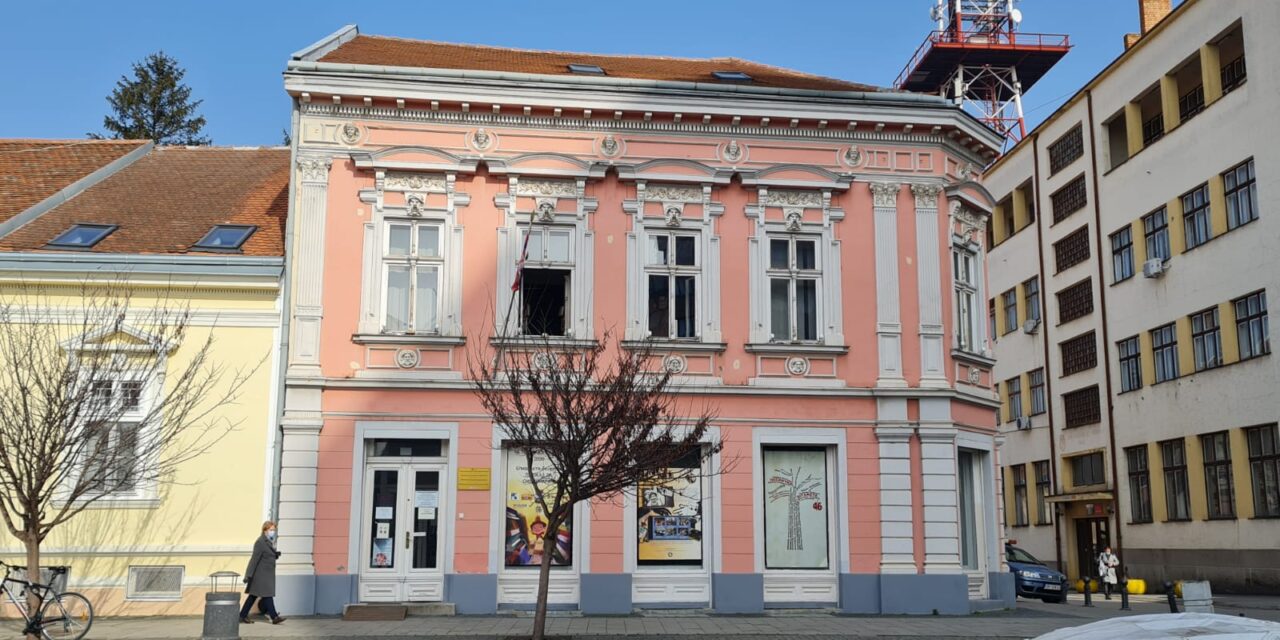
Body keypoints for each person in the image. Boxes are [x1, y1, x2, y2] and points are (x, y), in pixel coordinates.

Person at [241, 520, 286, 625]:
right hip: (260, 576)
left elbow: (266, 555)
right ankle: (274, 617)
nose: (273, 532)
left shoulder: (268, 541)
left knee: (253, 596)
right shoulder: (260, 542)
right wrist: (248, 575)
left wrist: (275, 554)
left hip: (265, 575)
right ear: (265, 530)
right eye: (271, 530)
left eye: (274, 530)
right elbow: (254, 559)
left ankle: (242, 615)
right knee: (267, 594)